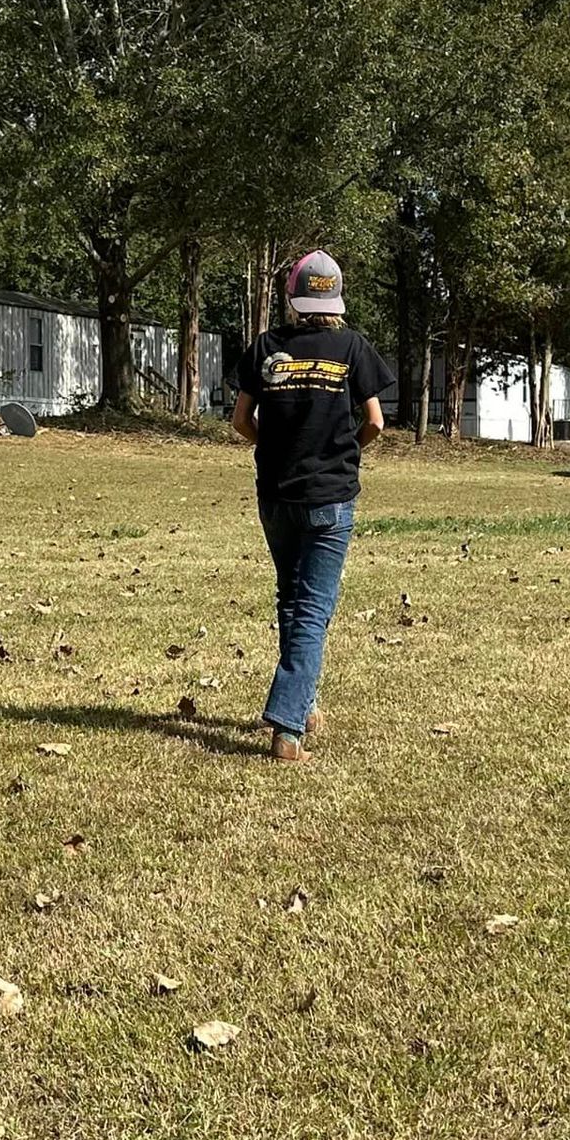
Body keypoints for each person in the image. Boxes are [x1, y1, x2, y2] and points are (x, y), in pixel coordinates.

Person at [230, 250, 394, 763]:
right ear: (336, 298)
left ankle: (306, 702)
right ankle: (287, 725)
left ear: (294, 298)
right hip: (330, 498)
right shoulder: (351, 347)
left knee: (291, 596)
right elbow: (376, 423)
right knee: (312, 608)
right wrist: (343, 453)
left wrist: (275, 448)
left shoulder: (266, 347)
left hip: (275, 495)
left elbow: (239, 421)